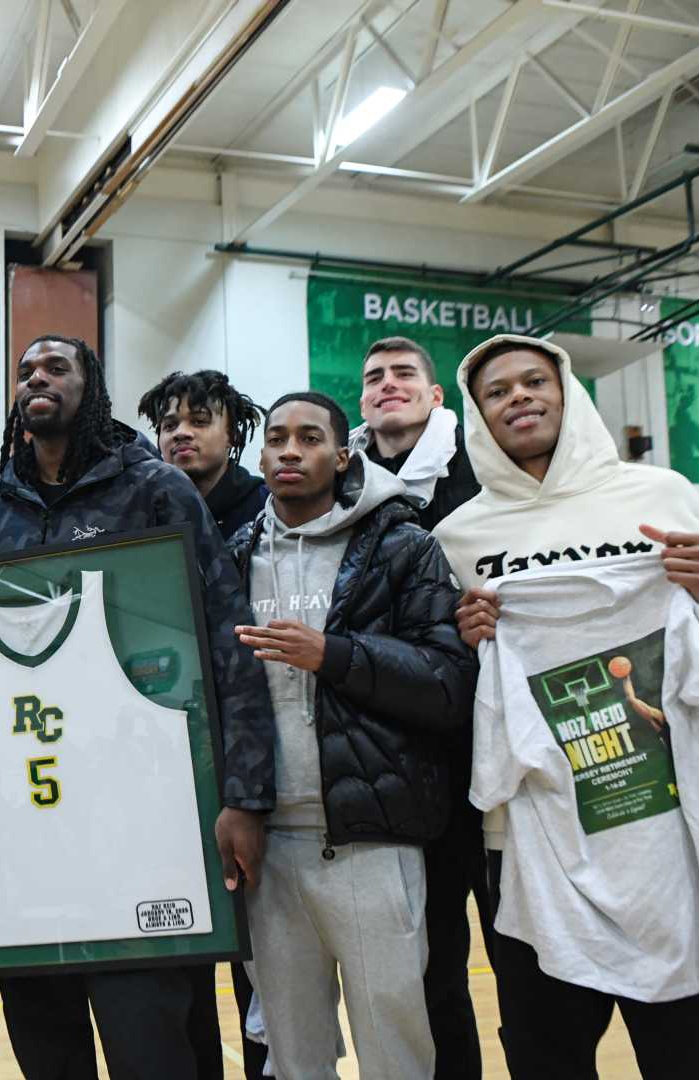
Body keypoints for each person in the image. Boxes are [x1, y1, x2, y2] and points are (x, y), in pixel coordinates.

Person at [0, 334, 276, 1080]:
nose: (36, 379)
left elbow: (228, 641)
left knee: (156, 1047)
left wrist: (243, 793)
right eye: (25, 371)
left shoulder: (155, 490)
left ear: (93, 388)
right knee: (47, 1051)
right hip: (31, 837)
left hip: (145, 826)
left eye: (57, 368)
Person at [437, 334, 699, 1077]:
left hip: (676, 829)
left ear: (566, 392)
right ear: (478, 414)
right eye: (498, 391)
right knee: (543, 1056)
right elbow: (456, 693)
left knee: (692, 1057)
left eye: (533, 381)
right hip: (534, 841)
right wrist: (466, 642)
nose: (519, 397)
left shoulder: (659, 494)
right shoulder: (458, 537)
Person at [228, 391, 475, 1079]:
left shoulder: (404, 545)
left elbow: (448, 683)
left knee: (395, 1051)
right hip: (269, 844)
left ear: (343, 456)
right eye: (276, 438)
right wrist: (234, 800)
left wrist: (333, 655)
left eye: (309, 438)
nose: (288, 450)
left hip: (372, 836)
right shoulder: (233, 555)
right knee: (291, 1054)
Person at [351, 334, 488, 1079]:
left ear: (437, 398)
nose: (388, 384)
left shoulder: (481, 473)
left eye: (405, 374)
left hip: (492, 752)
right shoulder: (343, 488)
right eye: (374, 378)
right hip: (399, 758)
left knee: (523, 962)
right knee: (430, 969)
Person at [135, 368, 267, 1076]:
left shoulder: (272, 510)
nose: (180, 433)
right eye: (168, 423)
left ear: (234, 432)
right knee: (181, 967)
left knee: (264, 972)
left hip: (254, 753)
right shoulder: (144, 506)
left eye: (199, 420)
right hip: (169, 759)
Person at [138, 368, 268, 538]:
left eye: (199, 421)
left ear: (232, 435)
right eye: (170, 426)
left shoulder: (267, 507)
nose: (181, 433)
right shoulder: (144, 511)